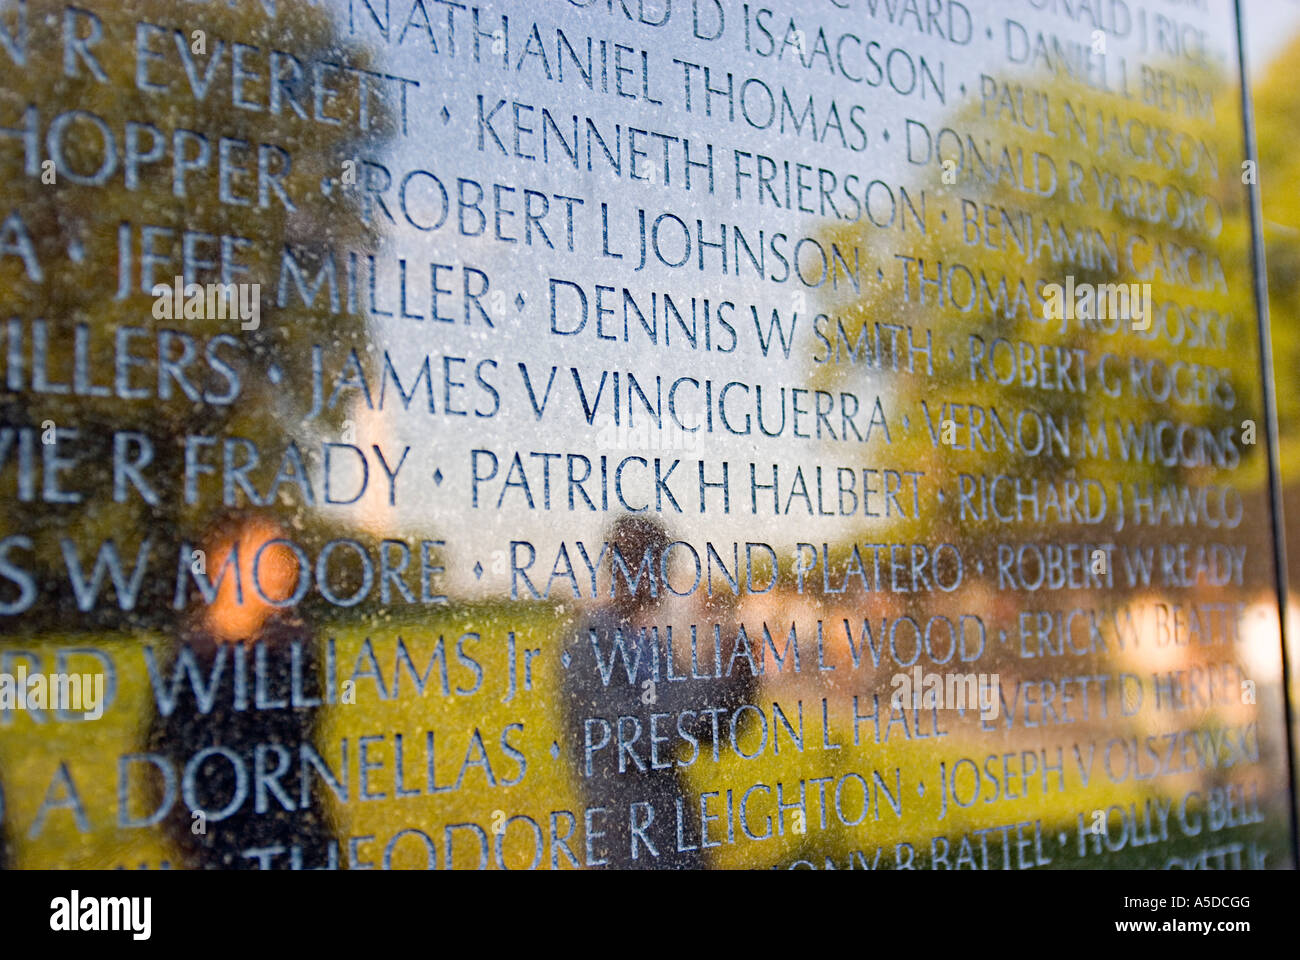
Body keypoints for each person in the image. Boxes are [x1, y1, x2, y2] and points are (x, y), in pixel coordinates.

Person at [561, 515, 755, 869]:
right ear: (620, 566)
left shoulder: (650, 642)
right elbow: (640, 731)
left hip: (671, 827)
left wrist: (739, 677)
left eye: (665, 562)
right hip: (628, 835)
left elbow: (704, 729)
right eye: (651, 562)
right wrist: (717, 684)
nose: (662, 577)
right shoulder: (590, 641)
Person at [145, 513, 335, 869]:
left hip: (298, 838)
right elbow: (159, 757)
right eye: (268, 558)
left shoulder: (295, 645)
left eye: (288, 558)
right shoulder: (192, 654)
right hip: (220, 842)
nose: (286, 570)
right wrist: (193, 839)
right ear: (221, 563)